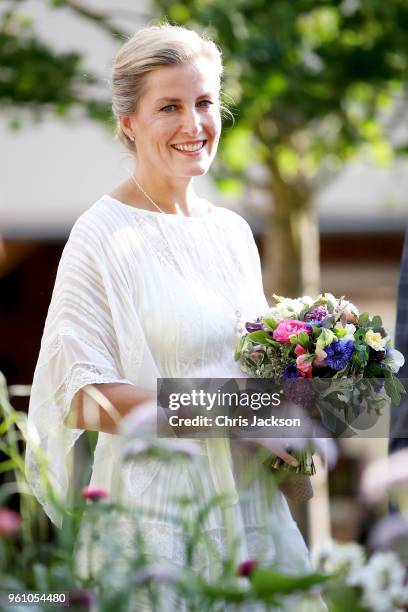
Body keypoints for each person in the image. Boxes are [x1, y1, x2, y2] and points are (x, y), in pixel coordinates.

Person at [25, 24, 325, 610]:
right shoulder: (99, 236)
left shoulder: (233, 233)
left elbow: (256, 372)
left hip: (252, 514)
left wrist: (301, 404)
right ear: (128, 123)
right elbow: (82, 396)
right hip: (159, 521)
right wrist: (233, 414)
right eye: (170, 106)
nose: (195, 125)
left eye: (205, 103)